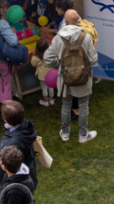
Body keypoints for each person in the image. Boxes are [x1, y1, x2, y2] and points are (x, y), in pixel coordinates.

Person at [43, 10, 100, 143]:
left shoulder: (58, 38)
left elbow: (47, 58)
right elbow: (93, 60)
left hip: (65, 78)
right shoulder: (85, 37)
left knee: (66, 104)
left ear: (66, 21)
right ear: (78, 21)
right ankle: (83, 135)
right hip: (83, 77)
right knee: (83, 105)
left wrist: (59, 66)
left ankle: (65, 133)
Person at [0, 100, 37, 188]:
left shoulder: (7, 145)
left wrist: (5, 185)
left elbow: (3, 169)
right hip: (28, 173)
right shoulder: (26, 126)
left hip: (16, 184)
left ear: (5, 119)